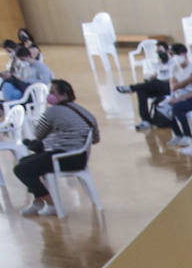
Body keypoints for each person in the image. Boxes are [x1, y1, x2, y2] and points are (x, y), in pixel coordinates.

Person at [13, 79, 100, 218]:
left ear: (64, 94)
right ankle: (38, 201)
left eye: (52, 93)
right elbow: (95, 139)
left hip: (63, 158)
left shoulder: (53, 112)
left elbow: (38, 134)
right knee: (25, 161)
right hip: (80, 158)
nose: (49, 96)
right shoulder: (85, 112)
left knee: (21, 169)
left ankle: (52, 204)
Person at [151, 43, 192, 147]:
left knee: (177, 108)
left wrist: (180, 97)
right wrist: (189, 80)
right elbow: (173, 87)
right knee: (163, 107)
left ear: (184, 54)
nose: (174, 57)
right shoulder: (174, 68)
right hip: (179, 97)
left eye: (176, 54)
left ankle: (188, 136)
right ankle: (178, 135)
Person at [117, 41, 172, 131]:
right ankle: (146, 120)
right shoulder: (160, 63)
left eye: (161, 51)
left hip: (172, 88)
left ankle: (131, 88)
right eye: (158, 52)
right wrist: (150, 78)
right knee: (142, 91)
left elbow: (175, 78)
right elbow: (157, 74)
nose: (160, 54)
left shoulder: (175, 62)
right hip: (159, 87)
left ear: (168, 51)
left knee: (155, 83)